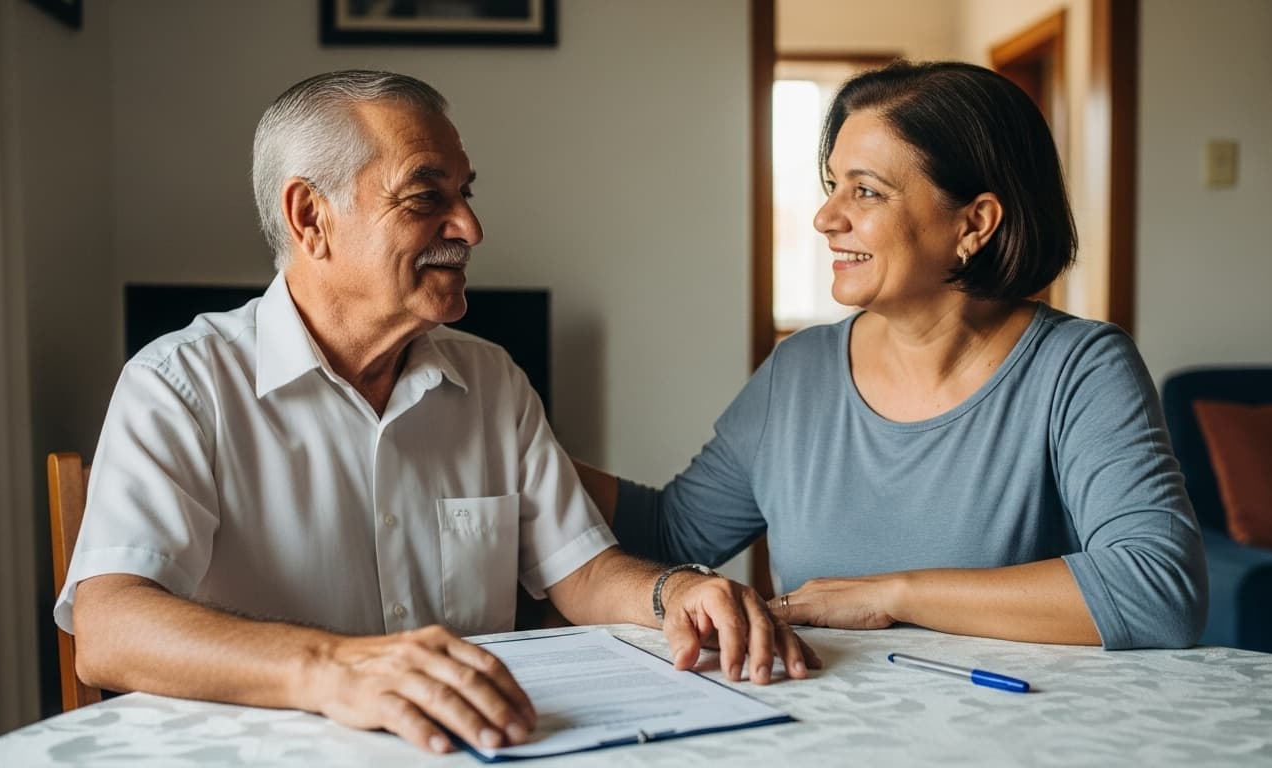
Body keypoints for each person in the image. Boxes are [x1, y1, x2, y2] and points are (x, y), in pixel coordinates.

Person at [55, 70, 814, 757]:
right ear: (310, 216)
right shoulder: (179, 385)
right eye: (427, 198)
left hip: (470, 747)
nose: (470, 229)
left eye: (466, 194)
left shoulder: (490, 380)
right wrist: (336, 668)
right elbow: (110, 628)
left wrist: (672, 592)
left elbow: (582, 572)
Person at [580, 61, 1207, 651]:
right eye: (832, 186)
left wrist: (892, 595)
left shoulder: (1080, 367)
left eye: (867, 192)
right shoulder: (798, 371)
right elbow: (672, 533)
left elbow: (1158, 591)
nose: (827, 217)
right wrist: (505, 438)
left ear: (975, 223)